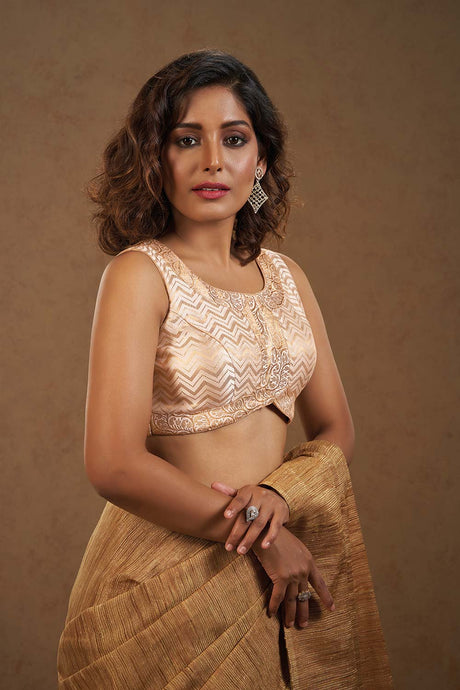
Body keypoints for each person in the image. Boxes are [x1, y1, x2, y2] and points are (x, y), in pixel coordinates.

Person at [57, 49, 393, 689]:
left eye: (234, 139)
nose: (213, 160)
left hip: (277, 574)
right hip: (167, 582)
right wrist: (262, 535)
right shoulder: (140, 275)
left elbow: (335, 430)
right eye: (187, 139)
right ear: (155, 158)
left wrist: (280, 498)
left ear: (260, 160)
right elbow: (113, 463)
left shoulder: (288, 278)